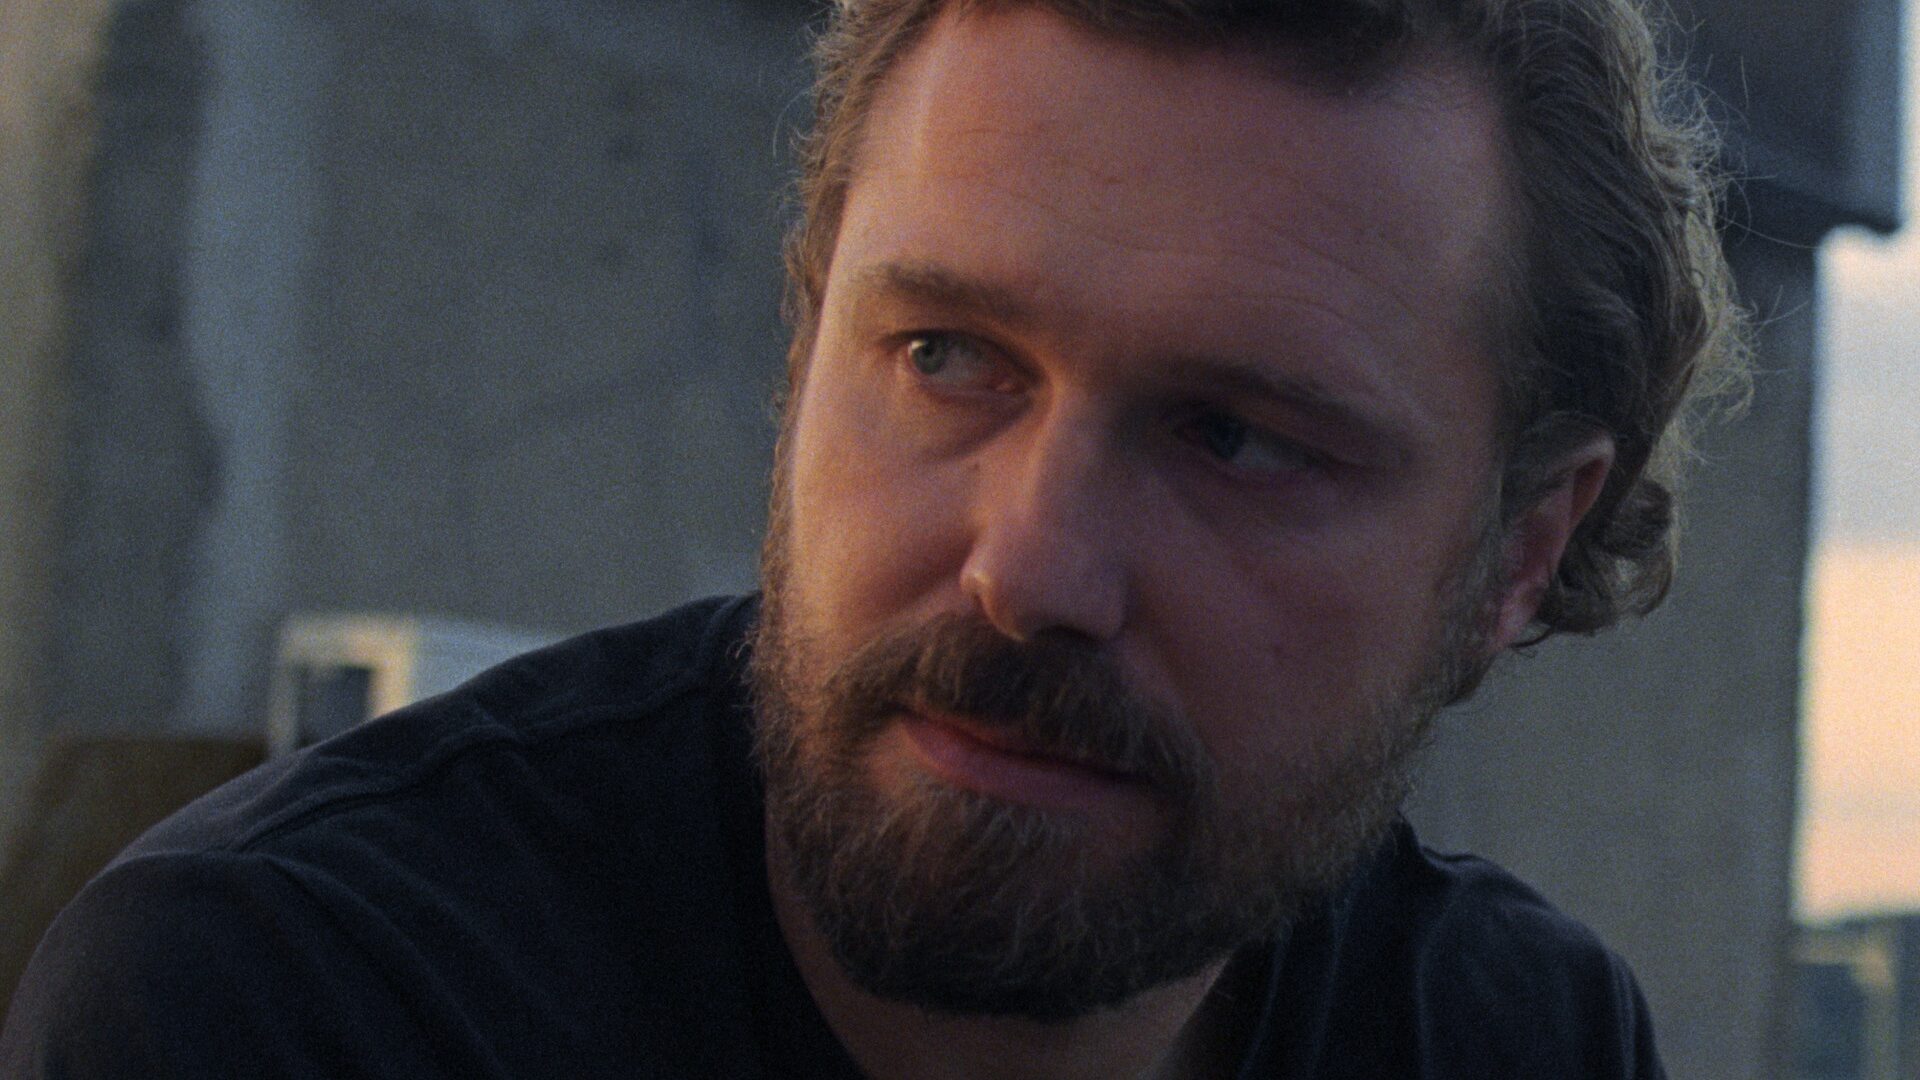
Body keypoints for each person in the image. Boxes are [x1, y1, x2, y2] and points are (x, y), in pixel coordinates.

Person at [2, 0, 1744, 1076]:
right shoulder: (296, 1001)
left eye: (1237, 438)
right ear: (808, 331)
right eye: (945, 359)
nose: (1030, 569)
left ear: (1522, 550)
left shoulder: (1517, 1036)